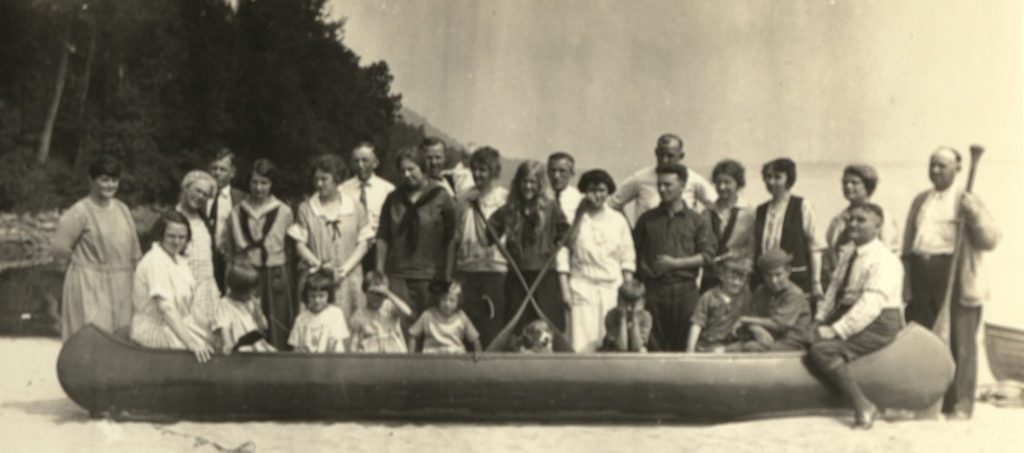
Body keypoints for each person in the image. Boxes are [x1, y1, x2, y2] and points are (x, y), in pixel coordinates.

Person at [902, 147, 1000, 419]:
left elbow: (990, 240)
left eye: (942, 166)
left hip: (956, 274)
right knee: (924, 338)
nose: (935, 171)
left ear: (957, 168)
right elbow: (909, 244)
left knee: (961, 341)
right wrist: (907, 283)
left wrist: (975, 215)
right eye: (932, 165)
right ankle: (928, 399)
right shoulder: (921, 199)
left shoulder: (966, 199)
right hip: (923, 272)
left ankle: (960, 404)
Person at [810, 203, 905, 429]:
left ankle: (863, 405)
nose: (852, 224)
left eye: (860, 220)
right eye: (850, 219)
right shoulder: (850, 253)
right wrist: (820, 319)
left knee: (822, 350)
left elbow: (870, 306)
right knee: (806, 334)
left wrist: (835, 331)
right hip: (851, 313)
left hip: (879, 322)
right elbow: (834, 289)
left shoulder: (885, 260)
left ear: (877, 225)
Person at [53, 155, 142, 340]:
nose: (110, 185)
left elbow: (134, 250)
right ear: (91, 180)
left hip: (123, 283)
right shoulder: (79, 212)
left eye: (114, 180)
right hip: (89, 283)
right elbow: (59, 249)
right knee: (92, 336)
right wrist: (82, 272)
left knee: (121, 337)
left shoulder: (122, 209)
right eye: (104, 180)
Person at [632, 163, 716, 351]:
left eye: (668, 184)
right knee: (653, 348)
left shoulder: (697, 220)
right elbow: (633, 255)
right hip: (654, 292)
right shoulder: (647, 220)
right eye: (659, 184)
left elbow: (708, 256)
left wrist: (675, 264)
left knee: (685, 348)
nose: (662, 189)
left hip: (685, 293)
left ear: (683, 185)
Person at [485, 160, 571, 332]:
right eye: (524, 181)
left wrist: (555, 247)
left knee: (548, 327)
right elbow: (489, 233)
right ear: (518, 183)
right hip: (518, 278)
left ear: (540, 184)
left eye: (533, 182)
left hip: (545, 277)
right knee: (518, 328)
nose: (528, 186)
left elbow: (566, 234)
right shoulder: (510, 209)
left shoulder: (551, 208)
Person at [376, 148, 457, 327]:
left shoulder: (441, 197)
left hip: (431, 277)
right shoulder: (393, 199)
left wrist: (447, 273)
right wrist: (379, 270)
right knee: (401, 326)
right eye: (402, 170)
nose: (406, 174)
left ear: (422, 168)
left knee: (430, 328)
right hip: (398, 275)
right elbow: (382, 236)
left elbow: (451, 238)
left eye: (411, 169)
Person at [290, 154, 373, 321]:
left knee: (349, 324)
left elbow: (364, 242)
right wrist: (320, 265)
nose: (319, 184)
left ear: (337, 179)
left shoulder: (356, 208)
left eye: (324, 179)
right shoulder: (306, 209)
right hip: (317, 278)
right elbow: (299, 244)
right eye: (316, 179)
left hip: (349, 277)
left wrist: (344, 270)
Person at [227, 159, 295, 349]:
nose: (258, 188)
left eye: (264, 183)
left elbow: (290, 248)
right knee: (248, 318)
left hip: (275, 273)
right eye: (254, 182)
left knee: (276, 320)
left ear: (272, 185)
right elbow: (233, 250)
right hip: (248, 273)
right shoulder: (237, 212)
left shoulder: (284, 211)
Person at [129, 210, 215, 363]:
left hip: (178, 325)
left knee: (216, 343)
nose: (177, 242)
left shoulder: (179, 260)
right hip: (158, 329)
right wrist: (191, 343)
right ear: (160, 235)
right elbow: (166, 308)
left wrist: (210, 327)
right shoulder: (155, 261)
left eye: (182, 237)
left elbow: (189, 305)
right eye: (171, 236)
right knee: (199, 356)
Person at [566, 169, 635, 353]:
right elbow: (567, 247)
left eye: (602, 190)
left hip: (612, 289)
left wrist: (627, 290)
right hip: (582, 288)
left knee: (612, 343)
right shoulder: (577, 218)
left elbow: (627, 256)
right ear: (584, 191)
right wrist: (579, 216)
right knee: (582, 345)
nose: (597, 195)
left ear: (608, 191)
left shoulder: (617, 220)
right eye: (592, 190)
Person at [753, 158, 826, 310]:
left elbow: (816, 245)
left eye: (777, 177)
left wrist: (816, 282)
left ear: (789, 179)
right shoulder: (761, 210)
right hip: (766, 280)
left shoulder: (801, 205)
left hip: (795, 278)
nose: (771, 182)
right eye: (768, 177)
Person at [455, 147, 509, 347]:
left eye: (483, 170)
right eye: (475, 169)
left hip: (494, 270)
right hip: (467, 269)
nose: (478, 174)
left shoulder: (504, 198)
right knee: (468, 326)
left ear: (494, 172)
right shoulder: (462, 198)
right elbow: (457, 235)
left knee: (492, 325)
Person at [608, 133, 714, 220]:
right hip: (648, 240)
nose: (664, 160)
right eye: (661, 155)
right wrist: (627, 230)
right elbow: (613, 204)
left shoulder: (694, 179)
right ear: (656, 153)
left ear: (681, 156)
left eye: (670, 155)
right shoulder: (640, 178)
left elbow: (714, 204)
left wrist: (700, 225)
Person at [824, 164, 900, 281]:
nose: (848, 186)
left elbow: (889, 250)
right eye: (845, 183)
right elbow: (831, 252)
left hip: (869, 277)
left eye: (854, 183)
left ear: (867, 186)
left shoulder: (881, 217)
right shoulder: (838, 220)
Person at [733, 249, 813, 352]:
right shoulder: (761, 291)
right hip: (768, 337)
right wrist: (754, 327)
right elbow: (752, 315)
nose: (774, 280)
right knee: (731, 349)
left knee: (751, 348)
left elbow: (779, 325)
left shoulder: (794, 294)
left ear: (788, 271)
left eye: (778, 275)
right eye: (769, 276)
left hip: (793, 342)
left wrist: (745, 320)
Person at [700, 159, 756, 293]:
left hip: (738, 276)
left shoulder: (749, 213)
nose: (722, 187)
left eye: (727, 182)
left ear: (738, 184)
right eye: (718, 182)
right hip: (711, 276)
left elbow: (753, 247)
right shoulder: (706, 212)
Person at [339, 143, 395, 272]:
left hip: (378, 251)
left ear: (375, 163)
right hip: (351, 250)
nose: (360, 165)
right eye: (356, 161)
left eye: (365, 160)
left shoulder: (388, 190)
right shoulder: (343, 190)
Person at [175, 170, 220, 332]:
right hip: (185, 289)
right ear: (186, 188)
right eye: (197, 190)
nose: (200, 196)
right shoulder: (173, 218)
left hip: (206, 288)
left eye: (205, 194)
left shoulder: (204, 219)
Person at [686, 256, 753, 353]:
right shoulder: (708, 297)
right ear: (722, 276)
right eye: (733, 278)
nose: (736, 283)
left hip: (733, 346)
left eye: (741, 279)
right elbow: (697, 324)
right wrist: (689, 350)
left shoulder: (746, 297)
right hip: (708, 345)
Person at [207, 148, 247, 294]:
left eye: (223, 169)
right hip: (206, 257)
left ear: (232, 173)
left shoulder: (240, 199)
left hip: (229, 257)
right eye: (214, 168)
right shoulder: (201, 196)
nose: (217, 173)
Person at [408, 280, 483, 356]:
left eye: (452, 300)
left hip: (456, 355)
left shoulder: (461, 316)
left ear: (458, 302)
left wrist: (479, 354)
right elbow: (413, 334)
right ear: (438, 299)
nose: (447, 304)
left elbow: (474, 338)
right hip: (432, 356)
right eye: (444, 299)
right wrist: (410, 356)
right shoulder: (428, 315)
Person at [212, 263, 274, 353]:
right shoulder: (225, 304)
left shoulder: (251, 302)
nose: (251, 295)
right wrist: (228, 343)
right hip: (239, 348)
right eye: (247, 293)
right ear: (237, 289)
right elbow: (224, 326)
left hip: (255, 345)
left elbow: (263, 327)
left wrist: (258, 311)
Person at [349, 271, 414, 353]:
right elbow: (354, 342)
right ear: (366, 291)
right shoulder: (359, 315)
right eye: (373, 293)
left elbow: (407, 312)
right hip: (371, 354)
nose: (376, 297)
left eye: (380, 294)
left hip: (393, 351)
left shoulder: (389, 306)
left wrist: (388, 293)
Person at [288, 271, 350, 353]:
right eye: (312, 296)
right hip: (308, 361)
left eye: (321, 296)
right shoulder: (301, 318)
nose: (317, 300)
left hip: (331, 359)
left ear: (329, 295)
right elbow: (295, 347)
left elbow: (333, 343)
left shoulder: (335, 314)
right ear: (306, 296)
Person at [599, 280, 653, 352]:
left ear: (643, 303)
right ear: (618, 301)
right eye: (625, 304)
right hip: (614, 350)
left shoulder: (646, 316)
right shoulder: (611, 315)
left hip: (634, 348)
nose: (629, 309)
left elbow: (637, 346)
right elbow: (621, 347)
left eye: (633, 305)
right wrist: (623, 318)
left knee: (642, 350)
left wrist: (635, 317)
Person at [547, 152, 584, 221]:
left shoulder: (579, 201)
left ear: (572, 173)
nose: (556, 176)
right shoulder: (541, 197)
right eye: (553, 170)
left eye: (562, 171)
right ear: (547, 172)